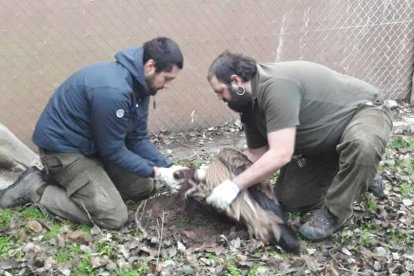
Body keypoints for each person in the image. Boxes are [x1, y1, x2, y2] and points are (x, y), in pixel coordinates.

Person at [0, 37, 186, 229]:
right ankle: (36, 189)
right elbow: (113, 151)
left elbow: (137, 138)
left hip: (93, 147)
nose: (168, 85)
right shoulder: (113, 91)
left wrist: (170, 167)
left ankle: (94, 190)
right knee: (113, 217)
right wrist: (156, 172)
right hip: (64, 152)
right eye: (167, 78)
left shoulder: (142, 86)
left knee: (142, 187)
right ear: (150, 66)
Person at [205, 51, 393, 241]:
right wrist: (216, 176)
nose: (220, 98)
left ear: (236, 81)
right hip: (320, 146)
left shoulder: (275, 86)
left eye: (220, 91)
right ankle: (356, 173)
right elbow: (257, 154)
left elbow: (281, 153)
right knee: (290, 199)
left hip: (362, 112)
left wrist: (235, 186)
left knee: (363, 144)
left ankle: (335, 212)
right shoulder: (248, 107)